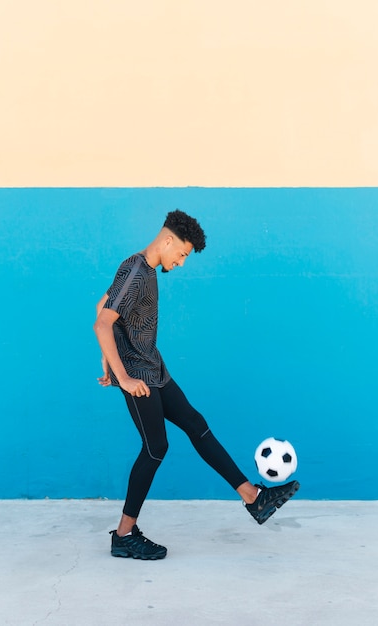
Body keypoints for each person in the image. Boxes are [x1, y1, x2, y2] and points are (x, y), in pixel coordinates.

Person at [93, 210, 299, 560]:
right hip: (140, 379)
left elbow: (103, 304)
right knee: (156, 448)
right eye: (183, 254)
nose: (182, 262)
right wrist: (123, 376)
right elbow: (102, 323)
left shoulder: (145, 270)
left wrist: (107, 360)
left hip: (155, 368)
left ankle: (253, 498)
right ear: (168, 240)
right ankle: (124, 535)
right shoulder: (136, 271)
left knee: (196, 424)